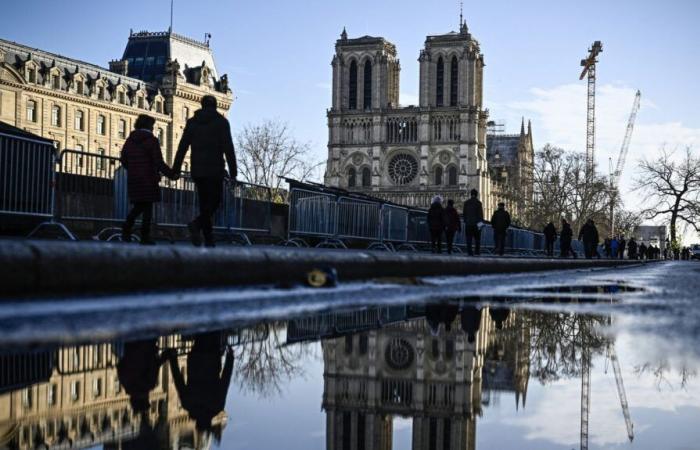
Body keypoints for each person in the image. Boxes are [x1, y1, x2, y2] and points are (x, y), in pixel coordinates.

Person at [173, 95, 237, 247]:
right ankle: (198, 226)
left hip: (198, 169)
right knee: (215, 202)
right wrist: (233, 172)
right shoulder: (222, 122)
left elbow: (182, 146)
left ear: (201, 105)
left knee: (204, 204)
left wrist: (176, 169)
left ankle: (208, 239)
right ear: (215, 106)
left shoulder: (192, 122)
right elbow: (229, 148)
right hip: (215, 169)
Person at [120, 114, 176, 244]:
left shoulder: (130, 140)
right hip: (149, 178)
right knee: (147, 208)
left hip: (134, 178)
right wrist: (171, 174)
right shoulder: (152, 140)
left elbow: (123, 159)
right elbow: (158, 161)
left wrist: (133, 169)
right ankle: (144, 236)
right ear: (149, 126)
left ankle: (127, 227)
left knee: (139, 205)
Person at [167, 332, 233, 437]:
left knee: (213, 332)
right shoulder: (188, 405)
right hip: (196, 360)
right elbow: (178, 379)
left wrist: (230, 359)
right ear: (197, 422)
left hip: (212, 360)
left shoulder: (217, 406)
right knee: (200, 336)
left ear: (209, 422)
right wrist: (173, 358)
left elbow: (225, 380)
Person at [462, 189, 484, 256]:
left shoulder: (466, 203)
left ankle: (469, 252)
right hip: (476, 224)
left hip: (468, 224)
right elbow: (480, 215)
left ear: (471, 194)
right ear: (476, 195)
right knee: (477, 239)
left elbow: (464, 214)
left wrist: (466, 221)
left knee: (469, 238)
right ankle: (477, 251)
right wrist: (480, 224)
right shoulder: (479, 203)